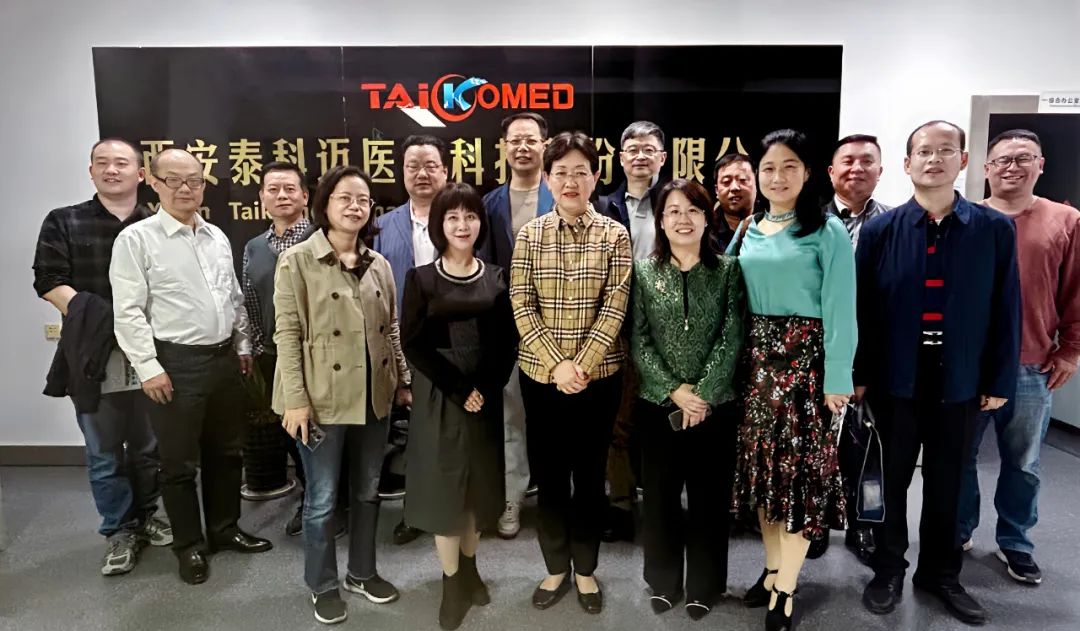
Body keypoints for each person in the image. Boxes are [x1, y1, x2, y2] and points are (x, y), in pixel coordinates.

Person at [855, 121, 1020, 626]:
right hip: (894, 380)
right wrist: (858, 375)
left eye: (945, 150)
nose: (934, 159)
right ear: (907, 164)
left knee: (949, 482)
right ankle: (888, 569)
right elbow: (862, 309)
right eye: (923, 151)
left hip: (960, 380)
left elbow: (1006, 307)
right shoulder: (882, 231)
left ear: (963, 161)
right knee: (890, 481)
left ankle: (941, 574)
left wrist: (999, 379)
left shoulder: (993, 229)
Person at [110, 148, 272, 586]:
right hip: (175, 363)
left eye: (194, 180)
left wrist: (242, 343)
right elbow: (128, 311)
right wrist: (148, 368)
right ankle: (189, 546)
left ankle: (224, 530)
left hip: (223, 359)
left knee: (228, 452)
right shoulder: (137, 239)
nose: (185, 188)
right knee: (179, 464)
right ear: (154, 183)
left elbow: (232, 296)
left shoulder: (215, 235)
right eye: (174, 180)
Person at [727, 129, 856, 631]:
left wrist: (838, 377)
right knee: (765, 479)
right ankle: (772, 569)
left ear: (808, 173)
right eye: (768, 168)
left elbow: (841, 309)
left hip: (806, 371)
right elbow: (729, 294)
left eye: (789, 166)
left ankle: (786, 589)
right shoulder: (749, 228)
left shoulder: (827, 230)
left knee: (798, 483)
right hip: (757, 371)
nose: (777, 177)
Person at [273, 165, 411, 624]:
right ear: (324, 204)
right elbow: (287, 335)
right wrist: (296, 401)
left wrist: (403, 381)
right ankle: (323, 584)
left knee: (368, 491)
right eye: (344, 198)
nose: (355, 206)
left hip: (373, 396)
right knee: (322, 500)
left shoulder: (378, 264)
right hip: (320, 399)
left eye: (363, 199)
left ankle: (362, 573)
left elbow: (391, 328)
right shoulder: (297, 261)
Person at [33, 138, 170, 576]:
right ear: (90, 170)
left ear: (141, 174)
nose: (112, 170)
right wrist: (103, 319)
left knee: (149, 446)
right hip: (92, 352)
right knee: (104, 451)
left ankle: (147, 515)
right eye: (103, 163)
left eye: (122, 163)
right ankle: (119, 530)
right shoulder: (64, 220)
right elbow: (48, 280)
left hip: (150, 353)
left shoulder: (158, 223)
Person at [511, 131, 632, 614]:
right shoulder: (530, 234)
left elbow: (615, 305)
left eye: (581, 171)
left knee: (589, 476)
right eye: (561, 172)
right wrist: (556, 364)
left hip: (599, 379)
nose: (571, 181)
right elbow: (521, 303)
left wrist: (580, 365)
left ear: (595, 177)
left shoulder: (614, 235)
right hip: (541, 378)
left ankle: (585, 570)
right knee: (550, 476)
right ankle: (555, 566)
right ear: (547, 179)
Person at [957, 129, 1079, 585]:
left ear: (1040, 165)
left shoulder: (1065, 220)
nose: (1012, 167)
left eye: (1023, 158)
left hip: (1032, 364)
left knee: (1023, 463)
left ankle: (1016, 542)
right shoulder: (965, 219)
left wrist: (1071, 350)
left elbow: (1076, 290)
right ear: (985, 168)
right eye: (1002, 160)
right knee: (960, 457)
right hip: (970, 366)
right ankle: (958, 530)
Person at [402, 182, 518, 629]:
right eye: (452, 217)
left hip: (484, 398)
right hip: (441, 398)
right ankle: (452, 584)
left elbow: (506, 343)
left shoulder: (496, 276)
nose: (462, 224)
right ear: (439, 225)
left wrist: (484, 387)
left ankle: (470, 571)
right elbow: (414, 344)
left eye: (470, 216)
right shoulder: (421, 278)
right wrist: (458, 388)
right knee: (447, 494)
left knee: (478, 491)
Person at [632, 179, 745, 620]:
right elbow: (639, 340)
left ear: (706, 218)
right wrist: (674, 390)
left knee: (708, 500)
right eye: (674, 211)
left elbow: (731, 336)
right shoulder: (643, 272)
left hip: (714, 408)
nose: (683, 219)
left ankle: (704, 585)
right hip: (658, 405)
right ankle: (663, 582)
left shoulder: (729, 270)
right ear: (661, 221)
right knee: (660, 500)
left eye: (693, 210)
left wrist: (702, 395)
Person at [807, 134, 892, 563]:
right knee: (818, 447)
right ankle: (818, 523)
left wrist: (864, 370)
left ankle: (863, 526)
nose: (856, 168)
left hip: (875, 355)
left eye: (867, 161)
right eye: (847, 161)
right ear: (830, 171)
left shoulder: (894, 224)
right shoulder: (810, 222)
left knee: (866, 449)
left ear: (881, 170)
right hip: (817, 356)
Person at [478, 112, 554, 539]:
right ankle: (512, 499)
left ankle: (559, 500)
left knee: (556, 418)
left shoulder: (561, 194)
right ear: (504, 147)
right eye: (514, 140)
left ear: (545, 145)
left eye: (530, 140)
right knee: (511, 418)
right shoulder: (489, 204)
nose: (522, 147)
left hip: (558, 327)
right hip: (507, 329)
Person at [374, 134, 450, 546]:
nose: (422, 173)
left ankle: (460, 507)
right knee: (416, 434)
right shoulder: (382, 226)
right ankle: (416, 511)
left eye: (430, 165)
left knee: (457, 431)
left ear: (445, 171)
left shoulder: (463, 218)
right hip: (406, 348)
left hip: (457, 346)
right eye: (413, 166)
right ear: (401, 173)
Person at [598, 120, 669, 543]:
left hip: (667, 330)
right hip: (618, 328)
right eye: (633, 150)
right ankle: (621, 506)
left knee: (662, 422)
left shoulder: (677, 201)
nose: (641, 156)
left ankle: (660, 507)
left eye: (649, 149)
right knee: (619, 423)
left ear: (662, 158)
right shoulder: (602, 205)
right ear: (621, 158)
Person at [241, 161, 314, 530]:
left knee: (321, 431)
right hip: (272, 355)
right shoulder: (254, 248)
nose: (282, 195)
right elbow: (250, 302)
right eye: (273, 189)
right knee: (291, 430)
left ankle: (326, 501)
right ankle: (309, 496)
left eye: (289, 188)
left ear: (305, 196)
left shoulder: (321, 238)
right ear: (262, 197)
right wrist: (255, 348)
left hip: (316, 354)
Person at [712, 153, 757, 250]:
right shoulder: (705, 231)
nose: (734, 187)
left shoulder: (775, 224)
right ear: (716, 190)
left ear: (756, 185)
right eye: (726, 182)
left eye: (742, 180)